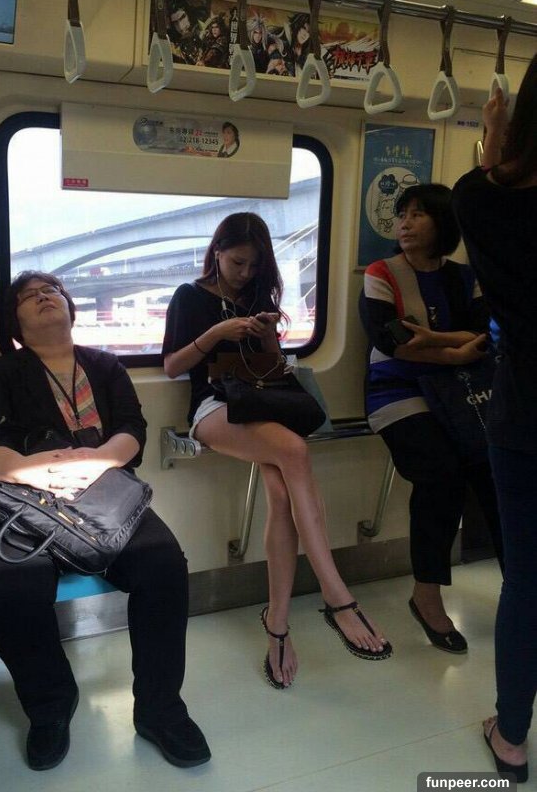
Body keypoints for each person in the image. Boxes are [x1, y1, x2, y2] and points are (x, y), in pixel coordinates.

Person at [0, 271, 210, 771]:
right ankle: (51, 703)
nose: (44, 297)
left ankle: (160, 708)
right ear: (14, 322)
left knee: (162, 563)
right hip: (26, 498)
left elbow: (131, 429)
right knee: (4, 579)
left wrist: (95, 463)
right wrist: (36, 471)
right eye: (29, 296)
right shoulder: (1, 372)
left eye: (52, 291)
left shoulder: (105, 365)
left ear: (70, 307)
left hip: (103, 494)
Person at [162, 212, 391, 691]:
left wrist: (266, 333)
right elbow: (172, 366)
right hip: (214, 407)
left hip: (260, 401)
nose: (245, 273)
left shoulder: (256, 295)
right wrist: (217, 334)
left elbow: (270, 368)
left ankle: (278, 626)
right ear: (217, 252)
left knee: (283, 494)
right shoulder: (189, 296)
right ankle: (335, 593)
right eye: (237, 263)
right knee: (293, 450)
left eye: (254, 265)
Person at [361, 183, 504, 656]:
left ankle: (521, 586)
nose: (404, 223)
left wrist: (441, 342)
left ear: (443, 223)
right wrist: (457, 350)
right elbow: (392, 342)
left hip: (460, 392)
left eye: (418, 214)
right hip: (397, 391)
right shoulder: (382, 273)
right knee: (441, 474)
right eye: (402, 214)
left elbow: (487, 334)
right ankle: (426, 596)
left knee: (496, 469)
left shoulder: (465, 276)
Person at [452, 54, 537, 783]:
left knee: (528, 582)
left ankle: (511, 739)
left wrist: (495, 141)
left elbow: (492, 181)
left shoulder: (479, 201)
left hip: (527, 413)